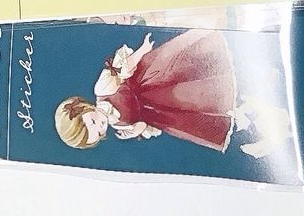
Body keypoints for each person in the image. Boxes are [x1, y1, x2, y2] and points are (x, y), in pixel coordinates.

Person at [54, 29, 240, 151]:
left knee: (185, 69)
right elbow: (141, 123)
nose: (100, 125)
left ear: (85, 108)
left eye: (93, 122)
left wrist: (142, 50)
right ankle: (227, 101)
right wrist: (136, 130)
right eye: (97, 132)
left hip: (150, 80)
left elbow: (123, 70)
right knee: (191, 103)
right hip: (158, 110)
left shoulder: (102, 90)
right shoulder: (118, 125)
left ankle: (222, 65)